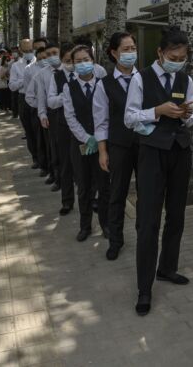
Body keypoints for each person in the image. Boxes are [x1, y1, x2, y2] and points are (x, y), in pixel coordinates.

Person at [124, 26, 193, 316]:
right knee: (149, 221)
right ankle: (144, 287)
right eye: (173, 56)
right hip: (152, 153)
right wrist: (158, 111)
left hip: (180, 151)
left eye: (182, 56)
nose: (178, 61)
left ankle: (168, 267)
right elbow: (129, 118)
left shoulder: (185, 78)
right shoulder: (140, 78)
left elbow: (190, 120)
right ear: (160, 53)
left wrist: (187, 116)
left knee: (176, 215)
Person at [93, 32, 139, 261]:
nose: (131, 53)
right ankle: (115, 240)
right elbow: (101, 121)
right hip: (119, 146)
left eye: (133, 48)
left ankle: (146, 237)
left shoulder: (146, 79)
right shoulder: (105, 85)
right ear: (114, 52)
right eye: (126, 49)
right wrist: (103, 150)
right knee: (117, 194)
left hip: (145, 146)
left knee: (148, 193)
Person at [62, 45, 110, 242]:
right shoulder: (68, 87)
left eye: (86, 59)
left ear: (93, 60)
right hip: (80, 144)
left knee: (104, 185)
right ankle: (85, 225)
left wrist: (99, 139)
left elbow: (108, 114)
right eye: (78, 61)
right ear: (72, 65)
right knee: (83, 186)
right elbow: (70, 117)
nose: (83, 64)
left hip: (103, 145)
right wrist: (86, 137)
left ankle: (106, 224)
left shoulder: (104, 84)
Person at [44, 42, 76, 214]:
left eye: (73, 60)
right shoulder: (56, 77)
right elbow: (51, 101)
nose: (71, 63)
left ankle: (92, 199)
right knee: (66, 164)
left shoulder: (83, 74)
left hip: (83, 126)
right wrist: (67, 96)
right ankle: (67, 201)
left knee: (86, 165)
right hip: (63, 125)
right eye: (67, 60)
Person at [33, 43, 63, 188]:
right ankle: (57, 177)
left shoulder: (69, 69)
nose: (52, 57)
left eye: (54, 53)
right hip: (52, 114)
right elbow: (41, 97)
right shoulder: (42, 73)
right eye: (48, 54)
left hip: (69, 112)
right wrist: (42, 115)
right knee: (54, 148)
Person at [9, 39, 38, 167]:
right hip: (23, 98)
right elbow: (12, 86)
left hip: (38, 98)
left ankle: (44, 158)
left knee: (39, 130)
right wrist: (24, 80)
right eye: (25, 51)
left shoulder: (38, 63)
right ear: (21, 50)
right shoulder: (16, 66)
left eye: (30, 50)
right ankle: (35, 158)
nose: (28, 53)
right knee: (29, 130)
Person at [24, 45, 51, 177]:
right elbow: (29, 96)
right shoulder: (34, 73)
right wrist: (41, 106)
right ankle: (44, 166)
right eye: (40, 58)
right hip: (40, 112)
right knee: (41, 140)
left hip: (55, 112)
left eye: (45, 58)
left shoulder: (55, 72)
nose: (43, 60)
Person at [9, 46, 21, 118]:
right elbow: (7, 72)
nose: (14, 53)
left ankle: (20, 112)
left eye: (15, 51)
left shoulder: (22, 62)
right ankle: (15, 113)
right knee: (14, 98)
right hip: (13, 83)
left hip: (21, 85)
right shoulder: (11, 63)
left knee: (19, 99)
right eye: (13, 52)